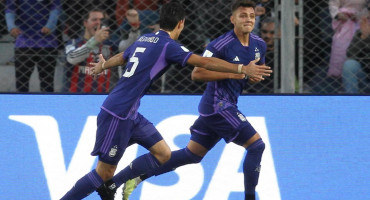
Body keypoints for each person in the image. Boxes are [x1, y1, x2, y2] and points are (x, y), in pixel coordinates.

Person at [60, 2, 272, 200]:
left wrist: (103, 66)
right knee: (103, 173)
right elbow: (203, 63)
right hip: (118, 113)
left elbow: (124, 55)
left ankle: (119, 184)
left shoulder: (145, 38)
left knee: (163, 153)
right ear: (181, 24)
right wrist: (241, 69)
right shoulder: (169, 46)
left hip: (131, 112)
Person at [122, 1, 268, 200]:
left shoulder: (259, 44)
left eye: (251, 16)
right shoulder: (220, 44)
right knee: (256, 146)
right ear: (232, 19)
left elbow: (255, 72)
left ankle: (137, 176)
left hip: (224, 106)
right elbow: (197, 73)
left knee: (192, 155)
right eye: (243, 15)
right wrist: (236, 74)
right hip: (217, 105)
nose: (248, 19)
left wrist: (254, 76)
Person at [5, 0, 61, 92]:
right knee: (21, 82)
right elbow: (10, 10)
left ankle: (47, 104)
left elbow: (55, 9)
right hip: (24, 41)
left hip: (47, 42)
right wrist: (11, 27)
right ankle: (22, 104)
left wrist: (50, 26)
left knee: (47, 82)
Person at [64, 8, 118, 93]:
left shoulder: (109, 44)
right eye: (94, 19)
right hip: (76, 95)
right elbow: (71, 58)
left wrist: (134, 29)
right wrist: (94, 41)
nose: (98, 22)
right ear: (85, 23)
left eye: (101, 20)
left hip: (104, 96)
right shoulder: (73, 42)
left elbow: (126, 49)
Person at [342, 11, 370, 93]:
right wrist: (364, 37)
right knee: (349, 64)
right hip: (366, 76)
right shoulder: (364, 31)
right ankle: (352, 101)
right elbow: (351, 54)